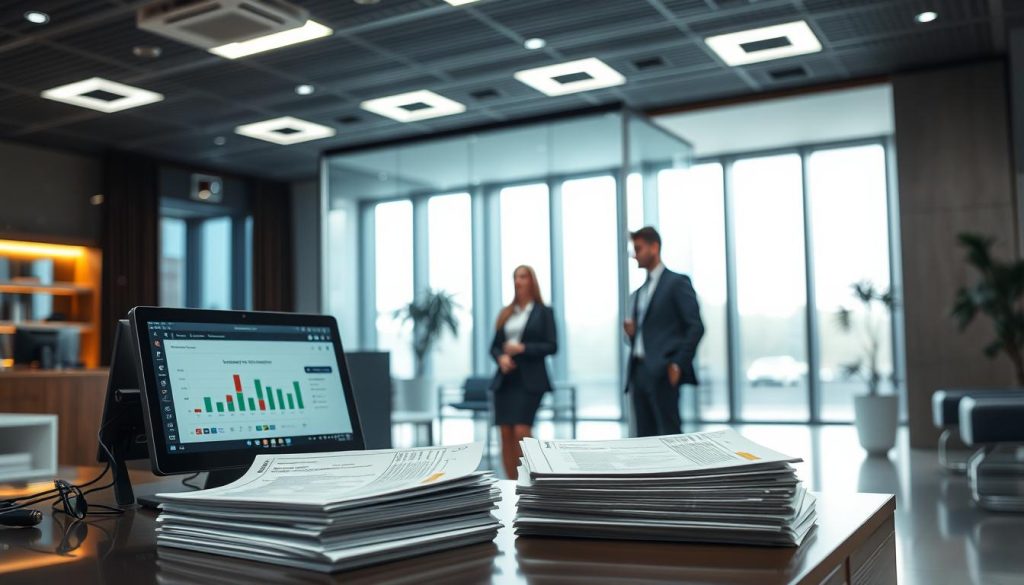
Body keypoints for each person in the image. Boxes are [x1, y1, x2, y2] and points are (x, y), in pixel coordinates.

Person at [623, 226, 704, 437]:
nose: (634, 255)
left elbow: (695, 327)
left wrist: (678, 362)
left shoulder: (677, 283)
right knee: (643, 437)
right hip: (638, 371)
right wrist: (632, 333)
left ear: (654, 247)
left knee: (669, 434)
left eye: (638, 248)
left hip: (663, 371)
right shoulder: (639, 292)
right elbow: (646, 334)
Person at [490, 265, 558, 479]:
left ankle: (528, 482)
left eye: (522, 277)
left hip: (531, 380)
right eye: (515, 277)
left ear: (532, 281)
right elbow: (494, 346)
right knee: (505, 433)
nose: (518, 281)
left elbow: (552, 346)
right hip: (506, 380)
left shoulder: (544, 312)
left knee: (521, 431)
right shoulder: (506, 313)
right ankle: (510, 484)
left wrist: (523, 348)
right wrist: (501, 357)